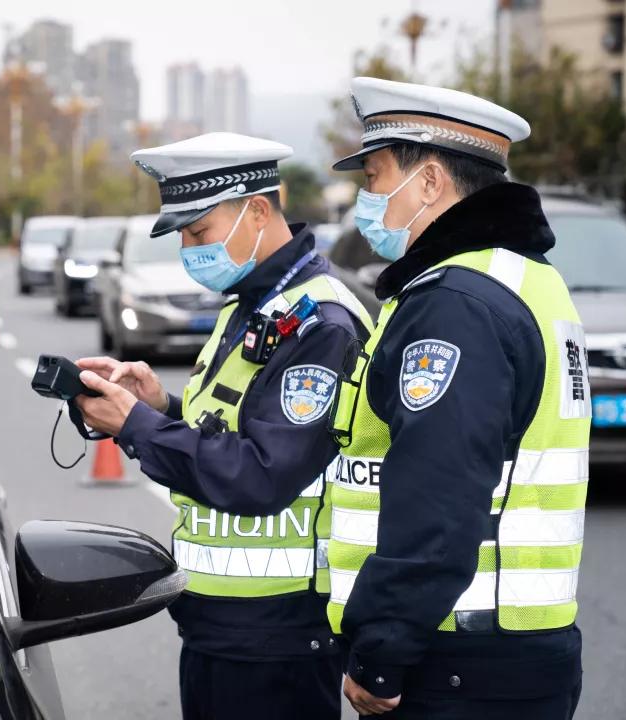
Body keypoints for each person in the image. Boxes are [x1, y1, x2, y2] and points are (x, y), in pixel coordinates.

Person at [74, 132, 373, 720]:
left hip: (279, 634)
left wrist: (136, 427)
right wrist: (161, 406)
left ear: (258, 210)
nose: (189, 249)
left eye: (198, 232)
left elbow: (263, 474)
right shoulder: (251, 304)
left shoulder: (322, 322)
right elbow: (231, 427)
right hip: (223, 626)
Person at [327, 77, 589, 718]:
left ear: (429, 183)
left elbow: (439, 497)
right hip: (512, 650)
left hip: (457, 662)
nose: (366, 199)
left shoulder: (454, 305)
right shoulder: (525, 280)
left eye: (375, 176)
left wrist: (381, 652)